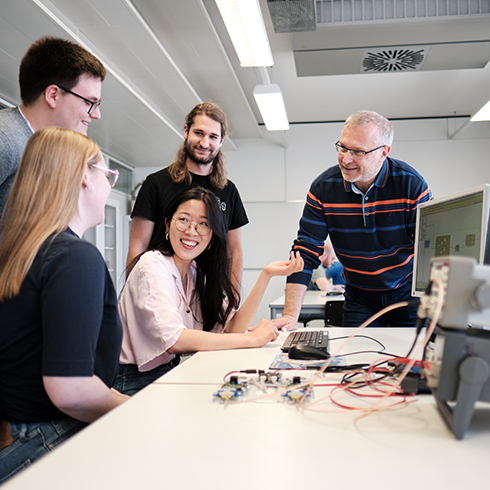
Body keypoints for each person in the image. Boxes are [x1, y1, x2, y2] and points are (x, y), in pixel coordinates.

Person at [0, 127, 127, 483]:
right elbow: (70, 389)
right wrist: (139, 411)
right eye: (108, 174)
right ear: (85, 176)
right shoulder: (74, 257)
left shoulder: (21, 251)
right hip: (48, 436)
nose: (110, 186)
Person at [117, 187, 303, 396]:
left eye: (203, 224)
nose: (191, 231)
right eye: (183, 220)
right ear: (168, 224)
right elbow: (174, 340)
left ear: (212, 237)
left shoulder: (195, 273)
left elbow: (232, 328)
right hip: (131, 380)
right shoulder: (152, 265)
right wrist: (252, 339)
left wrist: (266, 276)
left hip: (166, 371)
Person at [274, 110, 432, 330]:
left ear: (383, 152)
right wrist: (291, 316)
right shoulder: (323, 188)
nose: (345, 159)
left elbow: (430, 249)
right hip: (360, 294)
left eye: (358, 152)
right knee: (357, 360)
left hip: (408, 291)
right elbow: (305, 251)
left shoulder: (410, 184)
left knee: (411, 360)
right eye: (343, 147)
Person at [127, 102, 248, 291]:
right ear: (186, 131)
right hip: (162, 290)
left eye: (213, 136)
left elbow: (234, 251)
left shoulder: (228, 191)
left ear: (221, 140)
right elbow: (137, 246)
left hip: (210, 296)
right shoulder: (155, 184)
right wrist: (134, 294)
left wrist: (232, 298)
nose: (204, 143)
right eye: (198, 133)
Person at [0, 36, 106, 218]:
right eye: (90, 102)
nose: (96, 114)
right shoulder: (5, 138)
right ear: (53, 95)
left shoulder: (46, 149)